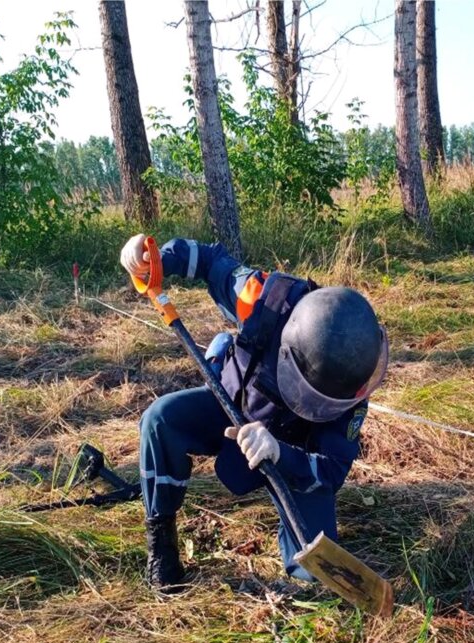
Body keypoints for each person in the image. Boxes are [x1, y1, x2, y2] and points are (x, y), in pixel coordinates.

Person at [120, 234, 388, 591]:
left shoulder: (355, 374)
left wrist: (280, 453)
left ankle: (298, 553)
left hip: (292, 452)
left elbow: (332, 470)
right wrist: (152, 259)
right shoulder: (264, 299)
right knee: (160, 419)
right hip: (231, 406)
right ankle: (161, 541)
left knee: (312, 574)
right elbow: (209, 261)